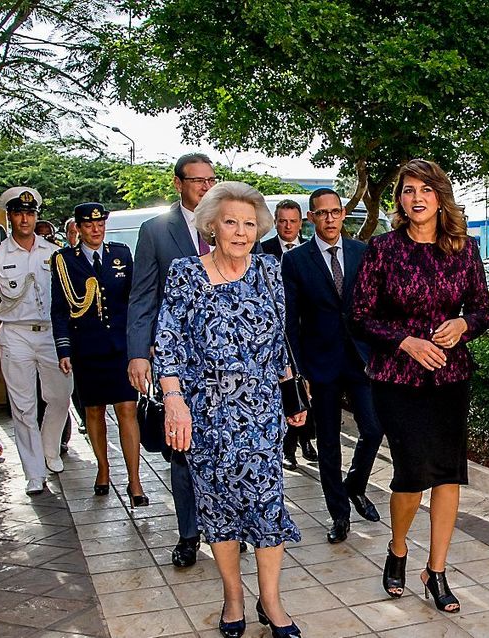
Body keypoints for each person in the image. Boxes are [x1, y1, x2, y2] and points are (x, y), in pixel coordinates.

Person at [155, 181, 304, 638]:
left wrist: (292, 394)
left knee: (266, 504)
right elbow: (167, 342)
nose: (240, 232)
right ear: (211, 226)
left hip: (260, 412)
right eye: (230, 222)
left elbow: (279, 340)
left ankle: (272, 601)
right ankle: (233, 598)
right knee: (217, 508)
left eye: (248, 224)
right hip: (205, 411)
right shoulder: (185, 273)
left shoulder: (268, 271)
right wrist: (174, 402)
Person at [350, 159, 489, 613]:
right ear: (400, 199)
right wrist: (406, 342)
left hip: (450, 378)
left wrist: (462, 325)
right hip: (398, 379)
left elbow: (484, 311)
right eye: (408, 190)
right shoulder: (382, 249)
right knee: (412, 474)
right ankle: (397, 549)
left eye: (425, 190)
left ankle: (437, 571)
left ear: (440, 197)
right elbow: (359, 315)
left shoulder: (464, 249)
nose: (416, 198)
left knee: (449, 474)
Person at [127, 152, 242, 568]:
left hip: (232, 363)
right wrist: (139, 353)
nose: (205, 187)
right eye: (197, 180)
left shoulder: (232, 226)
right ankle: (190, 534)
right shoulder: (156, 231)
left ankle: (228, 527)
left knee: (230, 445)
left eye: (211, 179)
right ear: (178, 184)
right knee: (183, 448)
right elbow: (142, 296)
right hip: (181, 362)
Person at [281, 188, 383, 544]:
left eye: (335, 212)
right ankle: (339, 515)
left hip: (360, 359)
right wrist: (297, 371)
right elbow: (290, 322)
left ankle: (355, 485)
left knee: (373, 429)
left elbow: (375, 307)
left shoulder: (363, 253)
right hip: (319, 365)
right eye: (321, 213)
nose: (329, 219)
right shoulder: (295, 262)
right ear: (311, 218)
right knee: (328, 443)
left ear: (343, 215)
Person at [0, 187, 74, 496]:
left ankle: (49, 448)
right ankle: (34, 473)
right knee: (23, 408)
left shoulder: (53, 253)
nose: (24, 219)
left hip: (50, 334)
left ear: (36, 216)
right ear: (9, 217)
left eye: (30, 213)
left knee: (61, 396)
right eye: (18, 213)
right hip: (15, 333)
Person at [51, 203, 147, 505]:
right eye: (89, 225)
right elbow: (59, 309)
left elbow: (135, 301)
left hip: (120, 347)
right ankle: (103, 468)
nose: (96, 229)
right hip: (87, 347)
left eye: (100, 224)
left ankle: (135, 480)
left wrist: (141, 345)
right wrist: (63, 348)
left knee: (127, 410)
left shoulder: (120, 254)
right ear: (78, 228)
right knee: (93, 411)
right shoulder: (65, 261)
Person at [261, 199, 318, 471]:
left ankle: (308, 440)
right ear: (275, 221)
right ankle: (288, 448)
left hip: (308, 331)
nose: (287, 226)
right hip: (277, 333)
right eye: (282, 221)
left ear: (301, 222)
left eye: (292, 221)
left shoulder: (310, 250)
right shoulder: (263, 251)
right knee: (288, 388)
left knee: (309, 388)